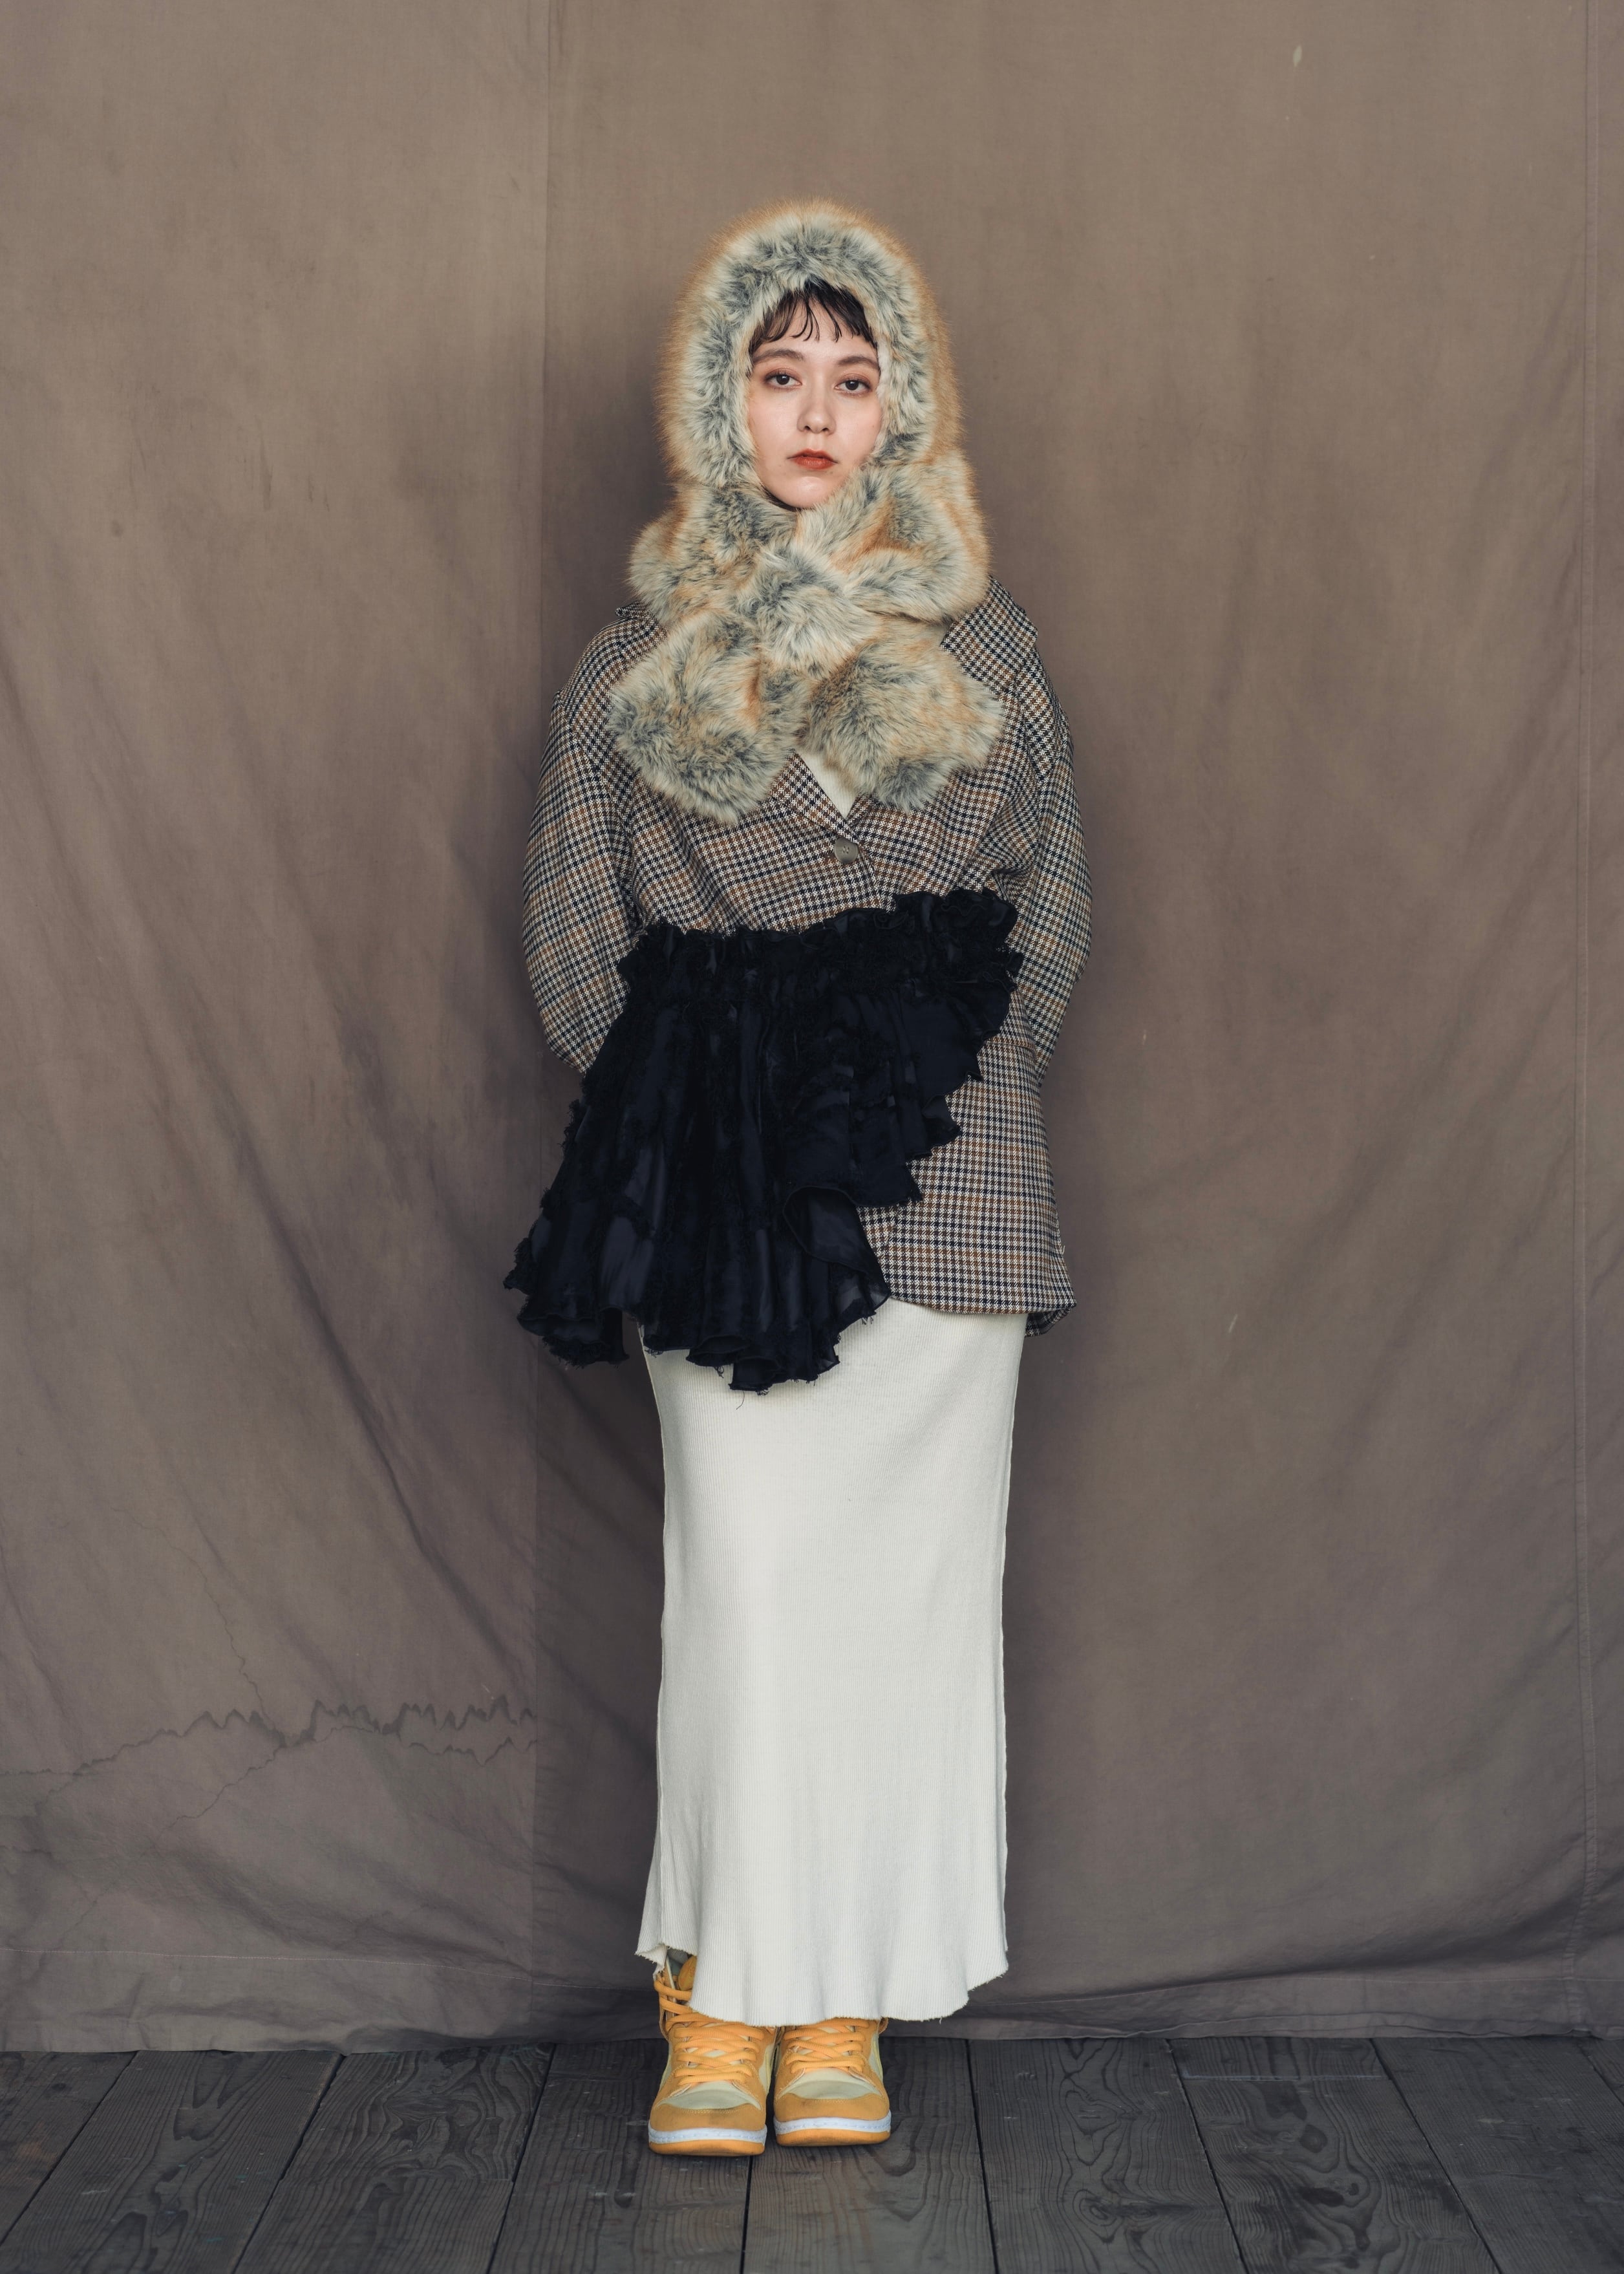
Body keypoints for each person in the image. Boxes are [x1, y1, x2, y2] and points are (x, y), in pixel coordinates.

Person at [508, 202, 1091, 2156]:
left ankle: (840, 1999)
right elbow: (576, 943)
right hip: (727, 1200)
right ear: (723, 406)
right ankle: (724, 1998)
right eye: (780, 375)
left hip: (945, 1179)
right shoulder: (631, 669)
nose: (818, 414)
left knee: (907, 1612)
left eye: (854, 377)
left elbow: (1051, 909)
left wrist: (914, 1086)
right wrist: (714, 1113)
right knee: (749, 1600)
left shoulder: (987, 649)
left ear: (902, 408)